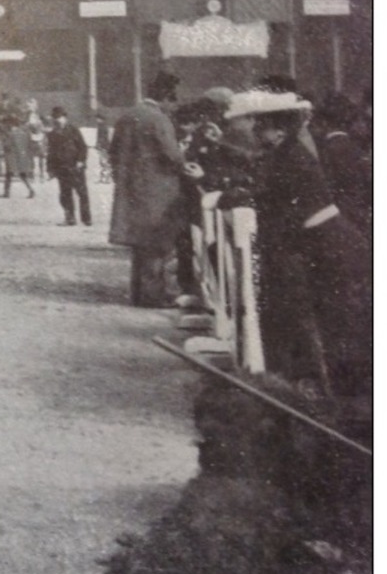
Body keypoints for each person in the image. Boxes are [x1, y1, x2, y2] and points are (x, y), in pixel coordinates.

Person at [223, 89, 371, 397]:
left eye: (261, 127)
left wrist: (229, 197)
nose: (255, 132)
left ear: (279, 130)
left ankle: (342, 397)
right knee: (331, 323)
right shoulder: (287, 152)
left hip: (331, 246)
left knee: (339, 325)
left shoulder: (289, 157)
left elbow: (268, 200)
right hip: (325, 243)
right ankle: (332, 392)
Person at [108, 70, 187, 308]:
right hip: (158, 191)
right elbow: (172, 155)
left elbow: (113, 152)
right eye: (172, 102)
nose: (172, 107)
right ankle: (154, 296)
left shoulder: (127, 116)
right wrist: (186, 162)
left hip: (132, 190)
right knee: (157, 243)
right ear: (165, 97)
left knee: (140, 246)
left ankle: (139, 293)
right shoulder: (158, 119)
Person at [313, 92, 371, 236]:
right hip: (361, 218)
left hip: (340, 222)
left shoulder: (325, 151)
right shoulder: (357, 148)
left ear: (323, 122)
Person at [45, 106, 90, 225]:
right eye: (55, 118)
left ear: (65, 117)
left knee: (82, 193)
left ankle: (86, 219)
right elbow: (51, 153)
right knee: (65, 194)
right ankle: (70, 218)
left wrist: (81, 160)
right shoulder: (52, 134)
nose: (57, 120)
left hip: (76, 167)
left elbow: (83, 147)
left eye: (59, 117)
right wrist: (50, 169)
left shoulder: (74, 130)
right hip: (62, 168)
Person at [0, 112, 34, 198]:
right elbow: (29, 145)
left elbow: (7, 145)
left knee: (8, 175)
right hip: (22, 157)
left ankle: (6, 193)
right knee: (23, 175)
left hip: (12, 157)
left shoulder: (10, 134)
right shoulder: (23, 133)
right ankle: (31, 189)